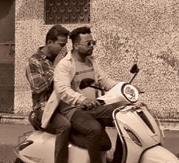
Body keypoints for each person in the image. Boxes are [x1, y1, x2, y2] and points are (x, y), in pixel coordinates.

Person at [43, 26, 117, 163]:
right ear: (76, 45)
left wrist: (125, 87)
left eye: (93, 43)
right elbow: (63, 90)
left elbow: (104, 81)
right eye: (88, 44)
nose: (92, 46)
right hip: (72, 110)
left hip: (91, 107)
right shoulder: (65, 65)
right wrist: (82, 100)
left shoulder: (91, 62)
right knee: (94, 129)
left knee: (119, 115)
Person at [25, 25, 71, 163]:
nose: (64, 49)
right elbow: (38, 87)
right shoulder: (34, 62)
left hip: (63, 106)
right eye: (61, 45)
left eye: (65, 45)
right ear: (49, 42)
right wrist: (56, 67)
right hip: (44, 109)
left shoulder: (64, 59)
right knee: (65, 126)